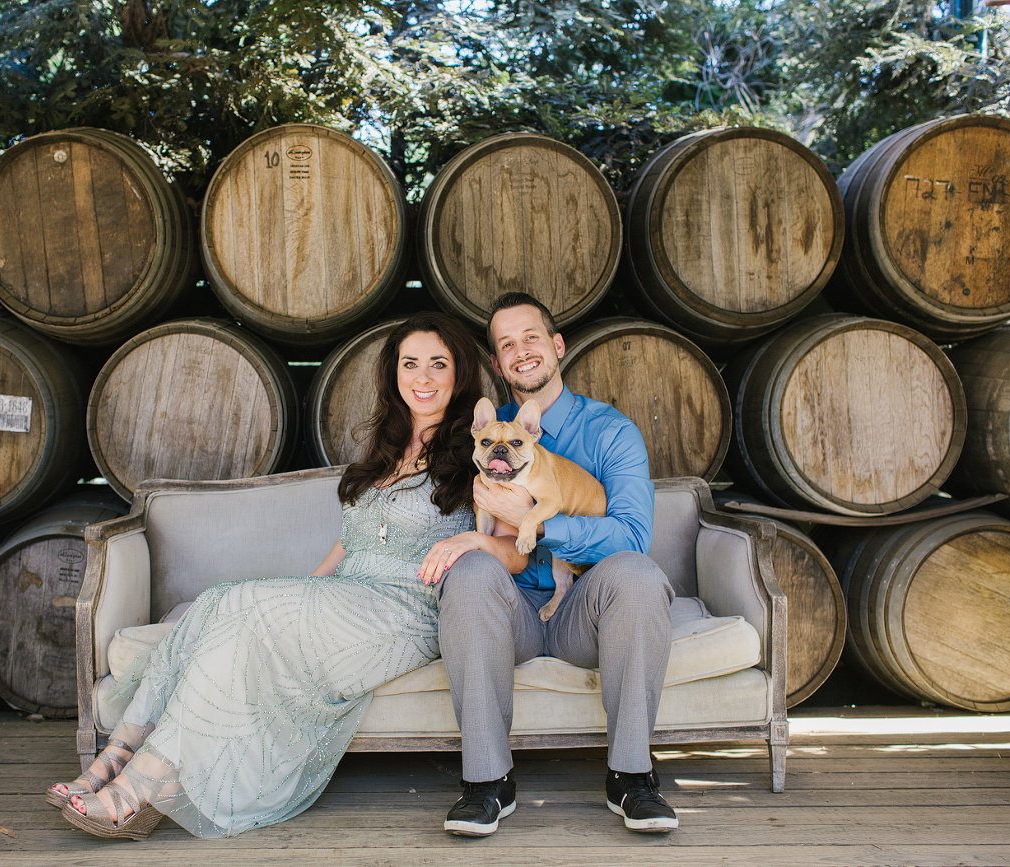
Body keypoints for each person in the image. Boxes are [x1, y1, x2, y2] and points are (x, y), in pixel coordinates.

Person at [47, 311, 527, 839]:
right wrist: (306, 591)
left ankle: (146, 784)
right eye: (410, 363)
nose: (424, 377)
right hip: (347, 596)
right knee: (227, 600)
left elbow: (515, 553)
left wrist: (472, 540)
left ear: (459, 374)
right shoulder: (385, 449)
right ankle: (117, 753)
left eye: (439, 364)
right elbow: (352, 541)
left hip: (407, 609)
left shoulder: (482, 450)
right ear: (394, 373)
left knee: (250, 610)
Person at [437, 292, 677, 836]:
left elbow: (633, 538)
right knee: (469, 573)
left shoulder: (611, 432)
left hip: (584, 615)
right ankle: (487, 782)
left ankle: (632, 777)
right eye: (506, 345)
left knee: (639, 575)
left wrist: (540, 524)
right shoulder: (487, 436)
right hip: (512, 610)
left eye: (532, 338)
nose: (521, 352)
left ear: (557, 345)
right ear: (497, 365)